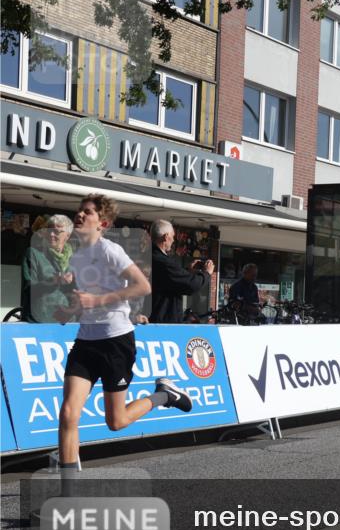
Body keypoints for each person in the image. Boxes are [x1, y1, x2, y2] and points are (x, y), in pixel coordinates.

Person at [53, 195, 192, 494]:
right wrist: (68, 311)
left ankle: (164, 396)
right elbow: (83, 303)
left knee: (116, 422)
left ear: (101, 223)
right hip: (86, 342)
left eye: (87, 212)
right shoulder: (77, 257)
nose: (79, 215)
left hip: (116, 342)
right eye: (79, 210)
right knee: (68, 414)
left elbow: (143, 286)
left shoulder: (110, 250)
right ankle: (68, 498)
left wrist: (99, 300)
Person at [149, 220, 215, 323]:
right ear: (166, 237)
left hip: (151, 318)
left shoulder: (148, 256)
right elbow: (190, 285)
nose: (173, 240)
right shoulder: (162, 261)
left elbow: (170, 280)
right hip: (163, 322)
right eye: (173, 236)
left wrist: (188, 270)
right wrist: (206, 273)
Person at [21, 214, 75, 323]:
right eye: (48, 230)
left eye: (56, 231)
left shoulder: (74, 259)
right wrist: (54, 281)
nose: (51, 234)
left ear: (67, 236)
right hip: (40, 321)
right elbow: (28, 289)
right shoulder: (34, 254)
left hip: (67, 323)